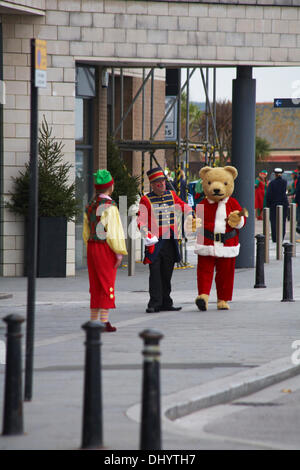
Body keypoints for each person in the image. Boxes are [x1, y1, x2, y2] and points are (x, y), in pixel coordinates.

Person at [137, 167, 193, 313]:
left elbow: (182, 205)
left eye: (162, 181)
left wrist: (190, 212)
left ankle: (166, 302)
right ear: (152, 184)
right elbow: (141, 221)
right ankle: (154, 303)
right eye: (157, 182)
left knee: (167, 272)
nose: (161, 184)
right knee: (155, 273)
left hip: (169, 240)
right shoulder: (146, 199)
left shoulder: (172, 195)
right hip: (154, 242)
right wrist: (146, 234)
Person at [83, 169, 127, 332]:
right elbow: (114, 231)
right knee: (106, 282)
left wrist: (90, 247)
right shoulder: (110, 207)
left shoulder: (90, 205)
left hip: (93, 247)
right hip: (105, 248)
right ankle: (103, 321)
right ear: (110, 186)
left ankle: (93, 320)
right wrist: (119, 252)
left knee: (95, 284)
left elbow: (86, 231)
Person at [266, 168, 289, 243]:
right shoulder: (284, 182)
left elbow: (268, 195)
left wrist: (268, 204)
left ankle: (275, 237)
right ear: (281, 174)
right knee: (282, 221)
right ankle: (281, 237)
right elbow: (284, 194)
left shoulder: (272, 183)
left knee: (273, 222)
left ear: (275, 174)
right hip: (283, 204)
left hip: (273, 205)